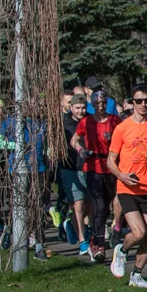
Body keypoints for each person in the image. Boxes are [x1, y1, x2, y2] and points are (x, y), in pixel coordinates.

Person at [106, 84, 147, 289]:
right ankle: (122, 250)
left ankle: (137, 275)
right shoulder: (122, 128)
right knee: (139, 232)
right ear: (131, 102)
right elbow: (110, 161)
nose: (143, 104)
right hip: (128, 188)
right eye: (139, 101)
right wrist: (121, 175)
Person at [73, 89, 122, 262]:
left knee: (106, 206)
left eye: (103, 103)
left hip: (110, 165)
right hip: (92, 166)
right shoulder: (86, 121)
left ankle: (96, 234)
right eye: (97, 103)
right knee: (99, 204)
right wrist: (81, 150)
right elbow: (74, 140)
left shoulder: (114, 120)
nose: (101, 106)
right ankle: (98, 244)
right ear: (92, 105)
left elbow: (122, 139)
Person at [58, 94, 90, 254]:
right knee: (78, 204)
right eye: (77, 108)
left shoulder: (90, 120)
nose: (80, 111)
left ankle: (71, 223)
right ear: (71, 108)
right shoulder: (63, 123)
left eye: (83, 108)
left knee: (91, 205)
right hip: (70, 167)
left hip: (89, 167)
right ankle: (83, 241)